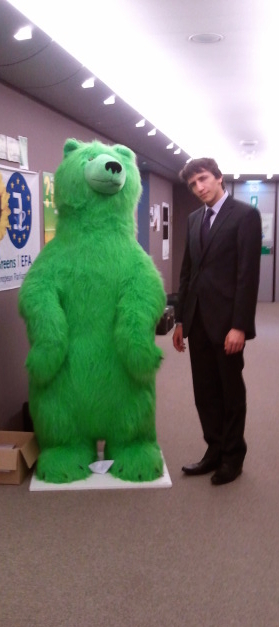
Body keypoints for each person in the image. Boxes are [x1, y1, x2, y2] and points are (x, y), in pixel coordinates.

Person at [173, 157, 262, 485]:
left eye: (204, 179)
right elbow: (187, 273)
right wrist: (180, 320)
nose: (199, 187)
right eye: (193, 183)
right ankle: (213, 450)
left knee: (229, 391)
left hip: (227, 323)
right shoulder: (194, 219)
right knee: (205, 392)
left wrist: (240, 325)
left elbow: (247, 275)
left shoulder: (245, 216)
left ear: (218, 177)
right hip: (196, 321)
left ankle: (233, 457)